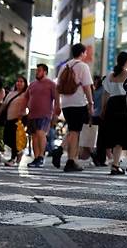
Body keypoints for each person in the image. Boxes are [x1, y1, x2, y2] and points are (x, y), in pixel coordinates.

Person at [53, 43, 94, 172]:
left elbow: (57, 87)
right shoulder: (83, 66)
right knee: (75, 132)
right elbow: (87, 87)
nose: (86, 54)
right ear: (82, 53)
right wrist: (91, 104)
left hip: (66, 103)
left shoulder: (64, 66)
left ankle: (65, 154)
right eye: (85, 52)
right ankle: (70, 160)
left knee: (72, 130)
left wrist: (57, 104)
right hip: (78, 102)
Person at [98, 52, 127, 175]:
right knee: (121, 136)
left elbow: (105, 95)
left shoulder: (109, 76)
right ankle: (115, 165)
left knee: (113, 135)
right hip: (123, 105)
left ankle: (115, 163)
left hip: (111, 106)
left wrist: (103, 110)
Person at [26, 64, 58, 168]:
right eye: (36, 70)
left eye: (39, 70)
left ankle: (41, 156)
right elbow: (26, 97)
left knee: (40, 133)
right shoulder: (32, 84)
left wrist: (56, 112)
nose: (37, 72)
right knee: (34, 135)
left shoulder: (51, 84)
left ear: (45, 72)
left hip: (45, 114)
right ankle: (36, 158)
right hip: (32, 114)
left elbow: (57, 98)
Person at [2, 76, 29, 166]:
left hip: (19, 119)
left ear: (25, 84)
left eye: (21, 81)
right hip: (9, 119)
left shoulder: (26, 94)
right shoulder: (11, 94)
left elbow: (30, 106)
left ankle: (13, 158)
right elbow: (4, 106)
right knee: (7, 139)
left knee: (14, 139)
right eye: (17, 81)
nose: (19, 83)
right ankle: (19, 152)